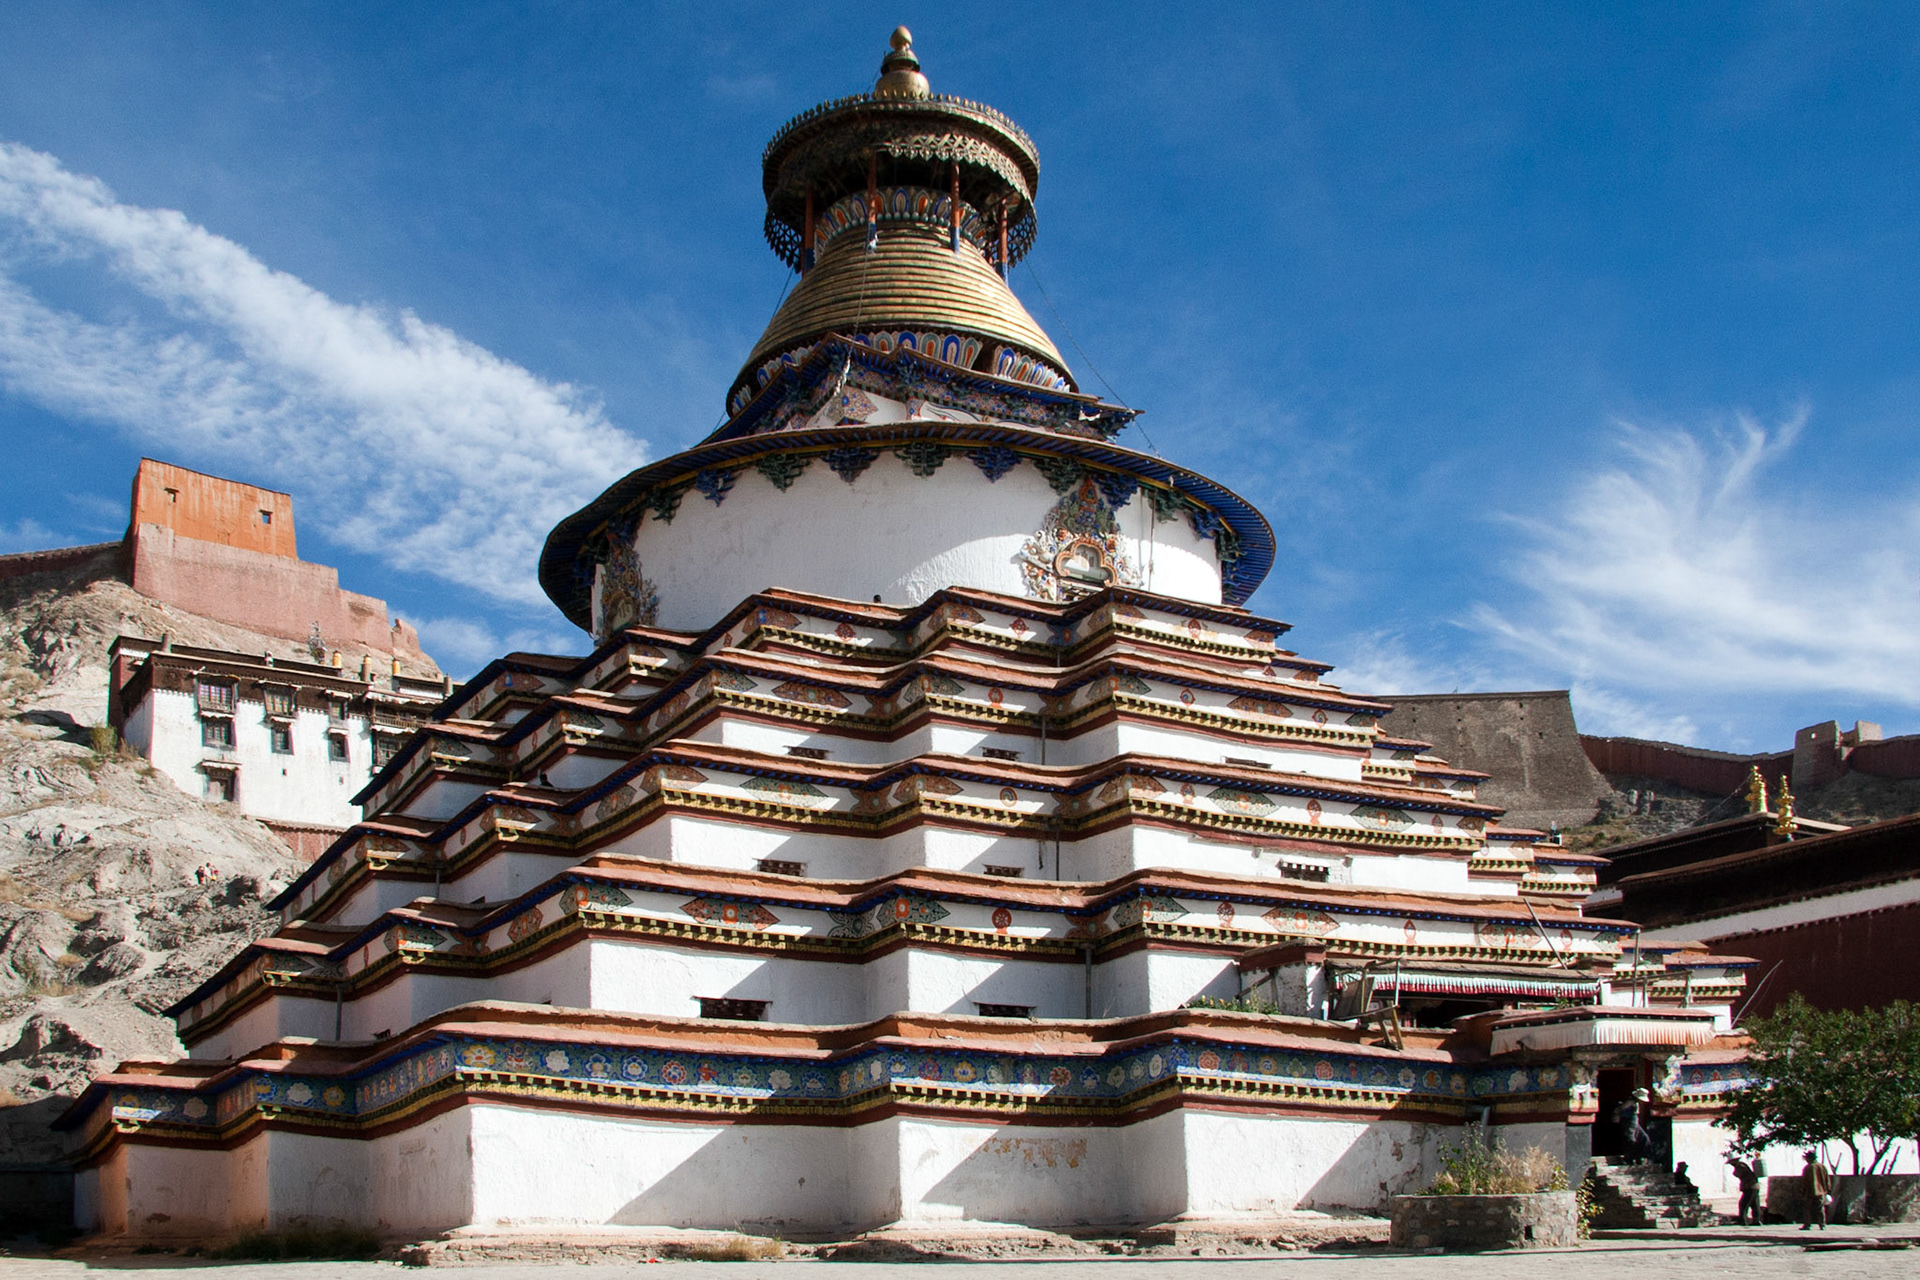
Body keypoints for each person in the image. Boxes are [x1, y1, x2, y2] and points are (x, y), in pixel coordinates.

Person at [1800, 1150, 1832, 1230]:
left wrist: (1803, 1191)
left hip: (1810, 1192)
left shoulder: (1808, 1168)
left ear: (1809, 1159)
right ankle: (1822, 1225)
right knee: (1820, 1209)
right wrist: (1827, 1189)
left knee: (1807, 1209)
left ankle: (1807, 1224)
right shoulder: (1822, 1167)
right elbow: (1827, 1179)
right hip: (1820, 1191)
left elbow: (1805, 1181)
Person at [1729, 1156, 1762, 1226]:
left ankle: (1743, 1221)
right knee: (1754, 1204)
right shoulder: (1743, 1165)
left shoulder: (1740, 1166)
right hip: (1754, 1186)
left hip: (1749, 1187)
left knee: (1743, 1204)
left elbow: (1737, 1174)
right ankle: (1756, 1220)